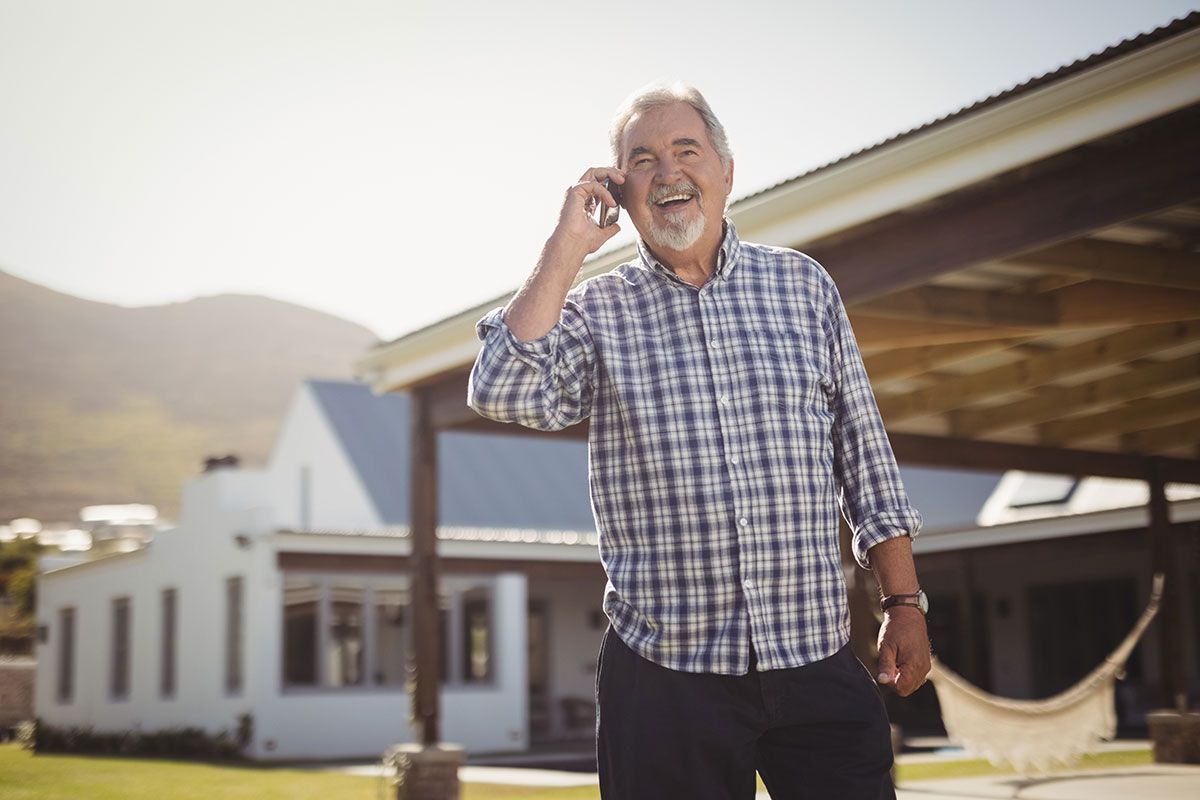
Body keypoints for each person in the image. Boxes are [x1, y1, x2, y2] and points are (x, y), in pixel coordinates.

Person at [468, 81, 931, 800]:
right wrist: (566, 247)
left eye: (687, 150)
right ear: (620, 190)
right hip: (665, 677)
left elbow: (864, 457)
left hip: (813, 658)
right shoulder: (596, 312)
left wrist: (904, 602)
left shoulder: (803, 288)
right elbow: (499, 387)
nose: (669, 171)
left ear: (726, 172)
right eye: (643, 160)